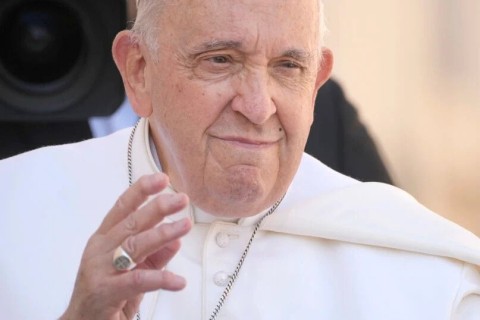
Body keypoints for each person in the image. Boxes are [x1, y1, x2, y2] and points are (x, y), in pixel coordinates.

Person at [0, 0, 478, 319]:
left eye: (288, 67)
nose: (257, 105)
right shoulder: (12, 213)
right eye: (220, 60)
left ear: (316, 83)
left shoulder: (430, 273)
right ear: (139, 70)